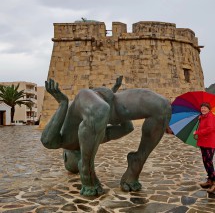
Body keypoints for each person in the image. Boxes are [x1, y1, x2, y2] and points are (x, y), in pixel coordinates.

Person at [41, 77, 171, 196]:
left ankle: (87, 172)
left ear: (65, 156)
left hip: (88, 101)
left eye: (68, 162)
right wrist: (119, 110)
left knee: (163, 106)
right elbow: (127, 128)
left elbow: (46, 140)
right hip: (106, 102)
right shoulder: (97, 137)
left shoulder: (65, 142)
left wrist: (62, 103)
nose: (71, 164)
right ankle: (136, 162)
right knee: (161, 107)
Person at [193, 102, 215, 193]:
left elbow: (210, 128)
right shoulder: (202, 117)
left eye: (205, 108)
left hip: (209, 142)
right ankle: (209, 180)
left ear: (209, 109)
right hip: (203, 142)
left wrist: (198, 133)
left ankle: (214, 181)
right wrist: (200, 119)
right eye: (202, 108)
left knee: (209, 162)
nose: (203, 109)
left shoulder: (210, 117)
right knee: (205, 161)